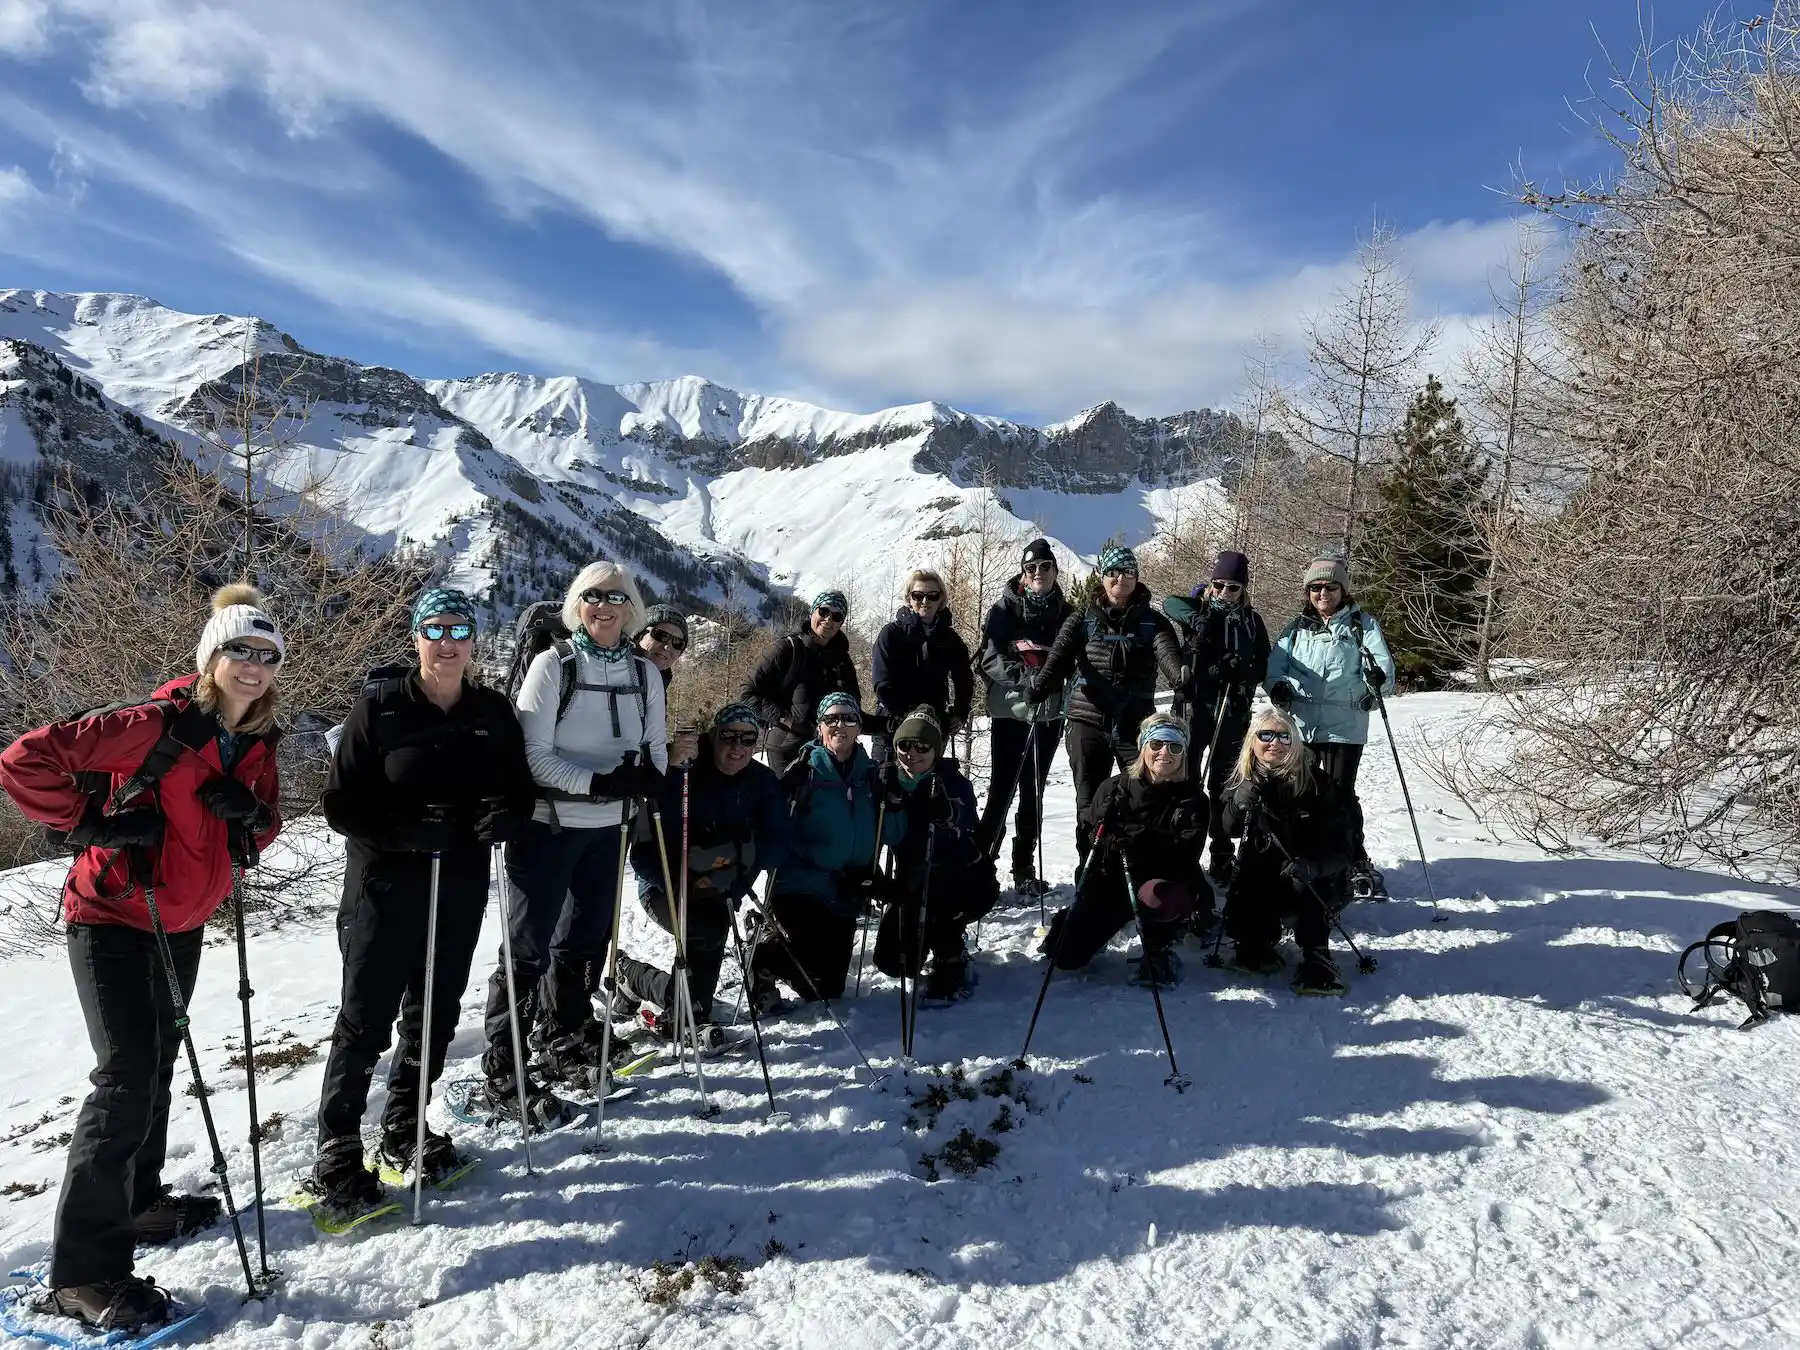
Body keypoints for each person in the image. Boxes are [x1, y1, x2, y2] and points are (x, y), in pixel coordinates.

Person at [0, 584, 284, 1332]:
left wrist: (250, 818)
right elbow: (25, 760)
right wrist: (92, 823)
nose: (253, 667)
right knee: (124, 1076)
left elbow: (267, 824)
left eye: (267, 656)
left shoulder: (254, 743)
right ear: (210, 657)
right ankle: (83, 1277)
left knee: (156, 1058)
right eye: (239, 651)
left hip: (179, 920)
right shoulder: (155, 724)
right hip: (111, 916)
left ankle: (139, 1199)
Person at [309, 587, 538, 1205]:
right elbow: (339, 803)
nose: (447, 642)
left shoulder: (492, 711)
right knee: (366, 1014)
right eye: (434, 629)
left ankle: (406, 1124)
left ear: (473, 641)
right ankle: (337, 1144)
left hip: (459, 880)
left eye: (459, 631)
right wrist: (403, 832)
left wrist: (510, 819)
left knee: (434, 1007)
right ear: (415, 637)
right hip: (384, 884)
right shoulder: (379, 710)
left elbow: (520, 790)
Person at [478, 561, 668, 1111]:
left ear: (631, 606)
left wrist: (647, 779)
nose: (603, 606)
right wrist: (597, 782)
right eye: (592, 596)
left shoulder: (643, 673)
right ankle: (502, 1060)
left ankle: (562, 1030)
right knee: (526, 948)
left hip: (610, 830)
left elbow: (654, 742)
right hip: (549, 826)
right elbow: (532, 754)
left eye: (614, 597)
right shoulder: (551, 665)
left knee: (585, 939)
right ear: (577, 604)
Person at [613, 703, 791, 1039]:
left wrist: (734, 867)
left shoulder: (762, 781)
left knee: (695, 1000)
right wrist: (687, 881)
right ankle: (633, 976)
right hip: (666, 887)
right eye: (729, 737)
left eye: (748, 740)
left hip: (724, 889)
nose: (738, 748)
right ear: (714, 735)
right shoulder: (683, 773)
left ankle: (674, 998)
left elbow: (778, 844)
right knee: (704, 931)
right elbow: (645, 852)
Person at [1029, 545, 1183, 865]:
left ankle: (1139, 870)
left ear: (1136, 577)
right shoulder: (1082, 619)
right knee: (1089, 801)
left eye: (1127, 572)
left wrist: (1181, 678)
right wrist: (1042, 685)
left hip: (1135, 722)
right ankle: (1090, 871)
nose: (1120, 579)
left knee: (1143, 795)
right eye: (1112, 572)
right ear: (1102, 577)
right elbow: (1058, 657)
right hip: (1088, 719)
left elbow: (1167, 653)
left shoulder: (1152, 622)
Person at [748, 693, 904, 1008]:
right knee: (815, 982)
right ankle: (763, 951)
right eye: (831, 719)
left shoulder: (871, 774)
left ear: (859, 726)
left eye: (849, 718)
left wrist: (896, 800)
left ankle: (781, 948)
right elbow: (777, 835)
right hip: (801, 890)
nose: (840, 725)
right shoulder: (804, 772)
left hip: (847, 893)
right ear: (820, 727)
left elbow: (892, 835)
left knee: (829, 988)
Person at [1039, 713, 1205, 987]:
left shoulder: (1193, 799)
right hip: (1113, 882)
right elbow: (1086, 844)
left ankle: (1159, 949)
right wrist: (1102, 838)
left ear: (1183, 753)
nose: (1164, 752)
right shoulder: (1114, 788)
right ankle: (1066, 924)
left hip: (1157, 884)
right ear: (1143, 748)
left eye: (1174, 746)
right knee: (1066, 959)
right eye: (1157, 744)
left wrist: (1140, 839)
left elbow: (1186, 857)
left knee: (1164, 896)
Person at [1265, 557, 1397, 898]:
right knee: (1301, 793)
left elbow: (1384, 670)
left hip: (1345, 724)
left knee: (1339, 794)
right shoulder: (1296, 628)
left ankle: (1353, 859)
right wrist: (1279, 685)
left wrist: (1376, 681)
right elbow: (1274, 667)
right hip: (1303, 724)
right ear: (1308, 592)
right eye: (1316, 588)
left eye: (1330, 587)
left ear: (1343, 590)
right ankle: (1305, 853)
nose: (1323, 593)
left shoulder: (1361, 625)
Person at [1217, 707, 1357, 995]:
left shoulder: (1319, 784)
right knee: (1248, 878)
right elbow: (1225, 830)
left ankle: (1317, 954)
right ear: (1252, 742)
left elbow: (1344, 846)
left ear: (1296, 742)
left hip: (1313, 876)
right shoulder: (1243, 779)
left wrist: (1316, 865)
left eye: (1283, 736)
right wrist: (1237, 805)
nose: (1274, 743)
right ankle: (1256, 941)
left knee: (1311, 883)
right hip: (1263, 877)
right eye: (1265, 735)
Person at [871, 707, 996, 1002]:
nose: (912, 753)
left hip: (962, 881)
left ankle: (950, 950)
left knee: (944, 917)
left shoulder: (953, 781)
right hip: (913, 884)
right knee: (894, 961)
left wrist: (946, 812)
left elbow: (966, 820)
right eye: (905, 745)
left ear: (936, 751)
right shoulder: (889, 779)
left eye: (922, 747)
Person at [1164, 551, 1271, 887]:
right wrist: (1200, 626)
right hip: (1195, 711)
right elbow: (1169, 603)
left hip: (1233, 710)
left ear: (1244, 590)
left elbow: (1264, 662)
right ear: (1211, 584)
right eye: (1220, 584)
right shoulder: (1198, 608)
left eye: (1234, 587)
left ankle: (1221, 853)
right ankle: (1182, 850)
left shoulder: (1252, 622)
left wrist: (1244, 672)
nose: (1226, 592)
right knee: (1186, 782)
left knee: (1224, 785)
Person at [974, 537, 1072, 895]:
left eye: (1045, 567)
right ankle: (982, 863)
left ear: (1054, 570)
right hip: (1009, 712)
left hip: (1047, 715)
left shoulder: (1066, 612)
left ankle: (1024, 867)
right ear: (1023, 573)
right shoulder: (1004, 610)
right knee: (1001, 788)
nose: (1038, 573)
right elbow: (989, 658)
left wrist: (1051, 680)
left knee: (1033, 791)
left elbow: (1072, 659)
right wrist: (1028, 678)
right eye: (1031, 568)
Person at [741, 589, 862, 772]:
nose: (828, 619)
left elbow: (854, 710)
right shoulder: (787, 649)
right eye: (824, 611)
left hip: (829, 751)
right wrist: (785, 719)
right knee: (788, 800)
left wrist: (888, 725)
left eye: (836, 616)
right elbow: (747, 694)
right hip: (787, 748)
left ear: (841, 623)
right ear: (812, 612)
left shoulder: (842, 661)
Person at [871, 568, 972, 758]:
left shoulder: (950, 639)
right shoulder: (891, 634)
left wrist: (960, 713)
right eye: (918, 595)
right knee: (884, 784)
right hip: (892, 726)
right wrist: (905, 716)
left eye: (932, 596)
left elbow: (964, 679)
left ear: (941, 599)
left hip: (933, 726)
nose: (925, 601)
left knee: (928, 786)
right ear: (909, 599)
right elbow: (881, 683)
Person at [635, 603, 698, 769]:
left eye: (678, 643)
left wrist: (671, 756)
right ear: (639, 634)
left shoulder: (658, 681)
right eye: (661, 635)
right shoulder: (617, 673)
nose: (667, 646)